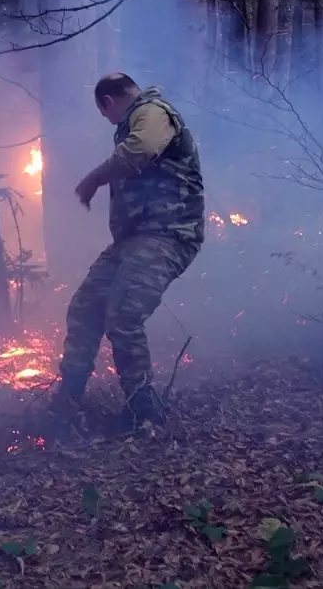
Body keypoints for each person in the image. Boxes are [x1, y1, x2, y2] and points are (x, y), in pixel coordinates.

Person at [49, 73, 205, 429]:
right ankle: (68, 398)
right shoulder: (141, 115)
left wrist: (91, 180)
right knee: (86, 307)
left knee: (123, 318)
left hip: (167, 236)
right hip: (134, 241)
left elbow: (141, 149)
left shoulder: (151, 111)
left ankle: (143, 410)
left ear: (108, 102)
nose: (108, 120)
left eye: (104, 113)